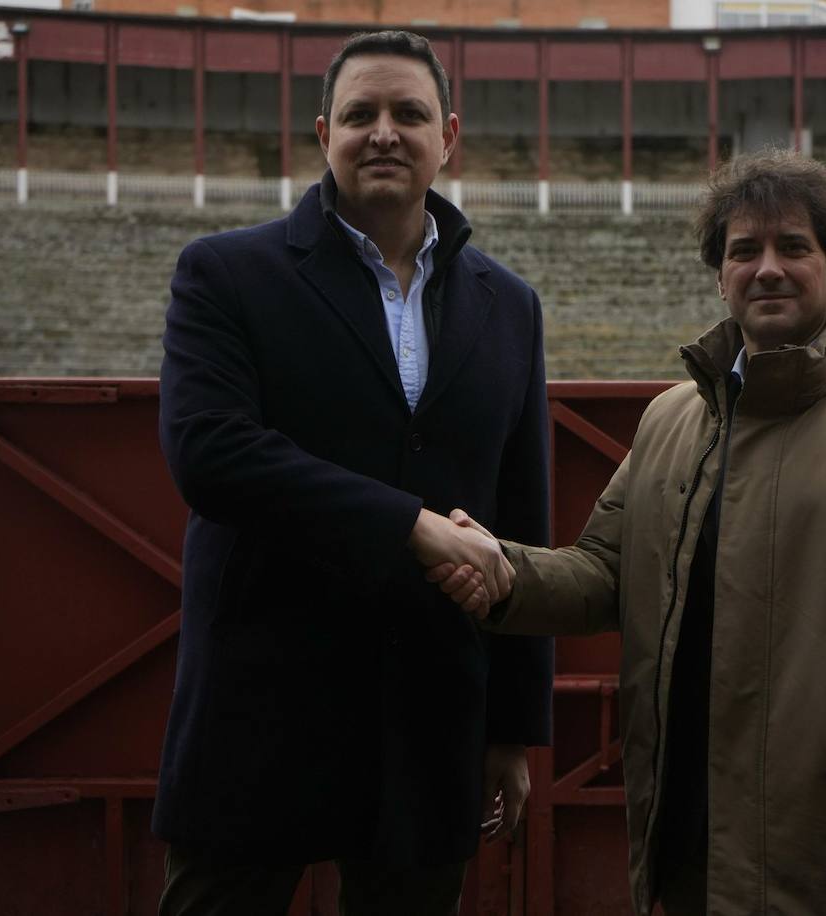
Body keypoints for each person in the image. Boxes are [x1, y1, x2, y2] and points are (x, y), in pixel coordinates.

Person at [430, 151, 826, 915]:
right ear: (721, 276)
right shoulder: (671, 419)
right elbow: (604, 573)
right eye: (745, 250)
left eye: (794, 247)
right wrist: (503, 570)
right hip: (684, 832)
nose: (768, 268)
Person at [152, 29, 551, 916]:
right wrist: (407, 526)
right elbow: (210, 453)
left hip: (430, 715)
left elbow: (521, 515)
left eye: (408, 114)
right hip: (261, 711)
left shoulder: (510, 306)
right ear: (322, 132)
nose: (384, 133)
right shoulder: (225, 273)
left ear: (447, 136)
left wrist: (513, 731)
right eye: (361, 114)